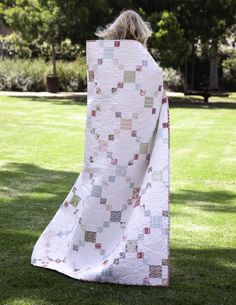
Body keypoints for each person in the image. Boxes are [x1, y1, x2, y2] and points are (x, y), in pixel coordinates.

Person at [31, 9, 170, 287]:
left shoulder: (105, 59)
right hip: (135, 151)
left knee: (100, 197)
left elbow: (101, 102)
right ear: (141, 31)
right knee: (127, 202)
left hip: (105, 146)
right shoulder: (147, 63)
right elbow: (155, 102)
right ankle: (119, 249)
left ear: (116, 28)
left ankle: (84, 246)